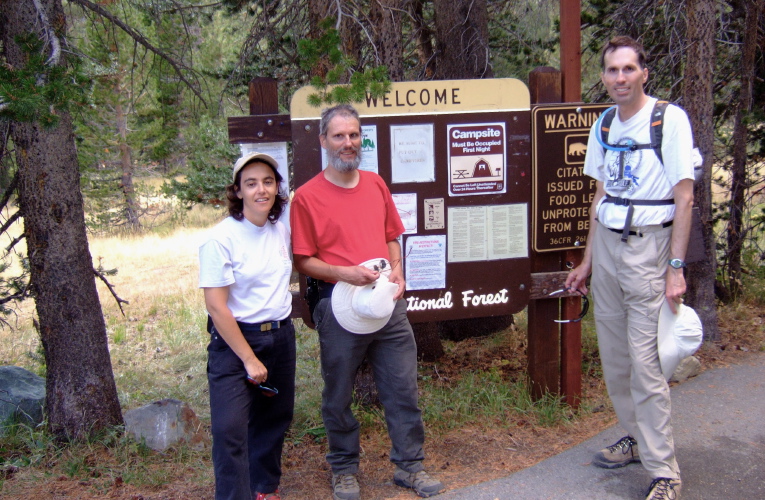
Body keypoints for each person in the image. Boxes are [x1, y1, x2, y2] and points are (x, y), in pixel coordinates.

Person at [290, 104, 444, 500]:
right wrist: (345, 273)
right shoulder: (306, 197)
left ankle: (410, 466)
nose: (348, 143)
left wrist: (397, 269)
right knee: (338, 393)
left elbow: (393, 235)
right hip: (337, 306)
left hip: (386, 305)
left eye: (354, 135)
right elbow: (303, 259)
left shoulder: (375, 184)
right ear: (323, 140)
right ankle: (343, 469)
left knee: (403, 387)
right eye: (339, 135)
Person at [565, 36, 694, 500]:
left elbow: (684, 198)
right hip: (610, 254)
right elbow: (600, 198)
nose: (620, 78)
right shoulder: (603, 124)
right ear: (604, 76)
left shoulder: (668, 119)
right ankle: (636, 438)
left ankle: (665, 471)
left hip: (649, 250)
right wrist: (586, 261)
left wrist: (675, 268)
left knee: (645, 365)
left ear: (644, 72)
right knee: (617, 362)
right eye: (612, 70)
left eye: (628, 69)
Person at [199, 152, 295, 500]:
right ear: (237, 190)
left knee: (275, 416)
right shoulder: (220, 239)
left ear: (276, 188)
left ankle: (264, 487)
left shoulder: (278, 230)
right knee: (230, 429)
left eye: (268, 182)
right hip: (235, 340)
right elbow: (216, 306)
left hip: (281, 336)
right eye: (251, 183)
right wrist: (249, 359)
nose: (261, 190)